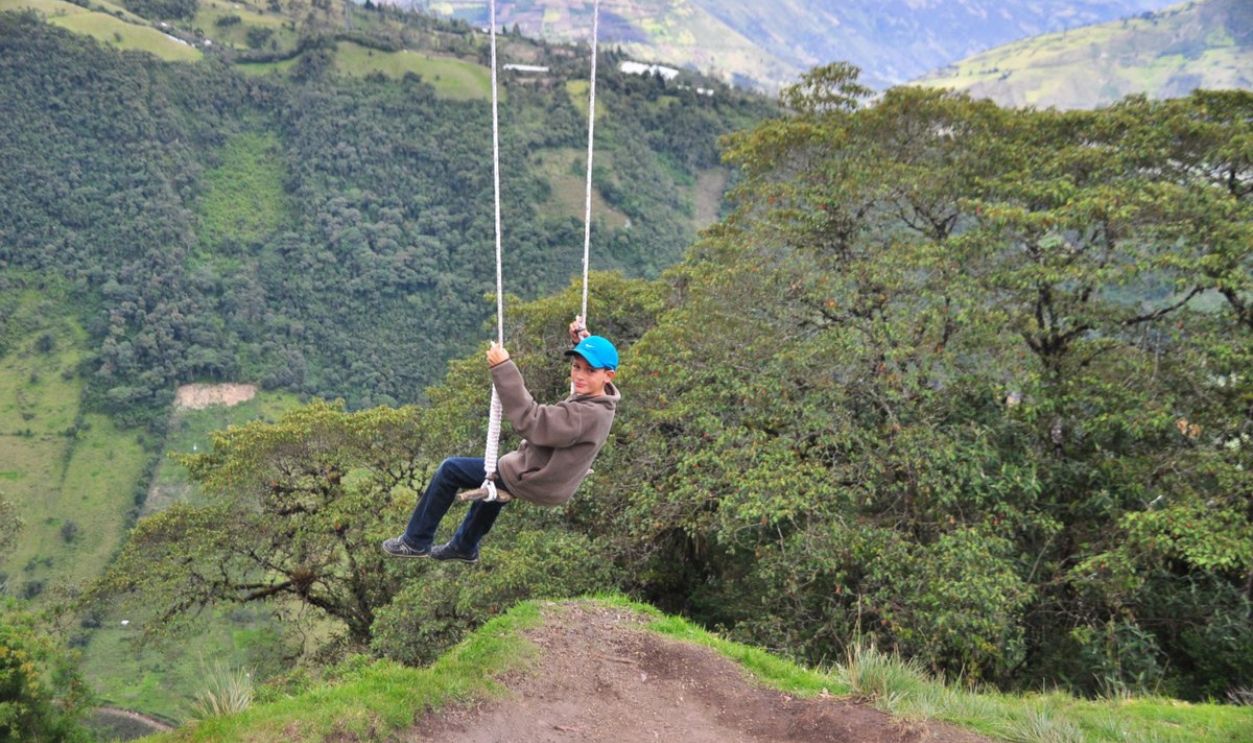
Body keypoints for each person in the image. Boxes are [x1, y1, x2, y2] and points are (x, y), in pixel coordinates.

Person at [382, 319, 620, 563]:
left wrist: (504, 368)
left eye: (590, 370)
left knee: (451, 469)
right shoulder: (604, 401)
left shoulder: (586, 414)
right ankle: (464, 546)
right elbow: (594, 377)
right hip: (555, 480)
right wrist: (583, 342)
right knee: (494, 481)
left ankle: (415, 541)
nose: (580, 375)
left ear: (607, 375)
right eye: (576, 366)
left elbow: (533, 420)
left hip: (537, 479)